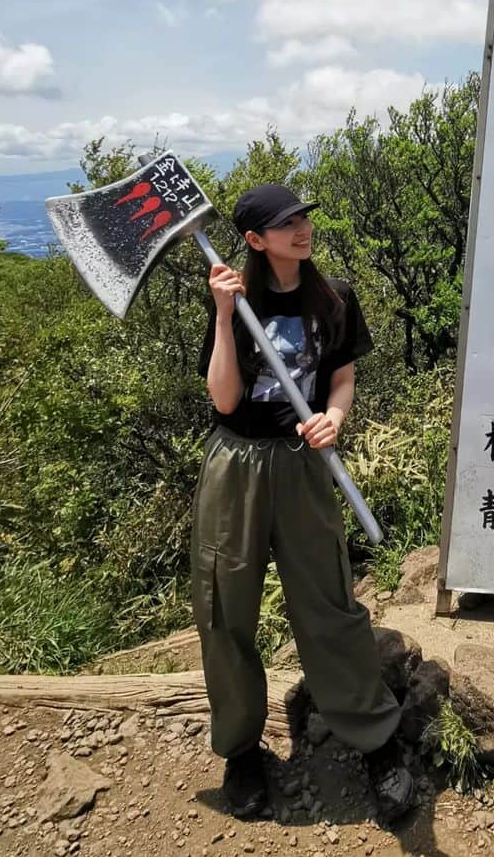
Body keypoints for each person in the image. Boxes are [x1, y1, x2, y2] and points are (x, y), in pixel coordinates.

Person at [192, 182, 416, 824]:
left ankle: (376, 741)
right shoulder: (234, 295)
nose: (301, 228)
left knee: (328, 602)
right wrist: (221, 316)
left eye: (302, 217)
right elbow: (226, 400)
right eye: (284, 222)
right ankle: (241, 752)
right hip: (236, 465)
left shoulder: (334, 296)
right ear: (256, 239)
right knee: (224, 606)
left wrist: (333, 418)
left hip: (304, 465)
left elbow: (341, 377)